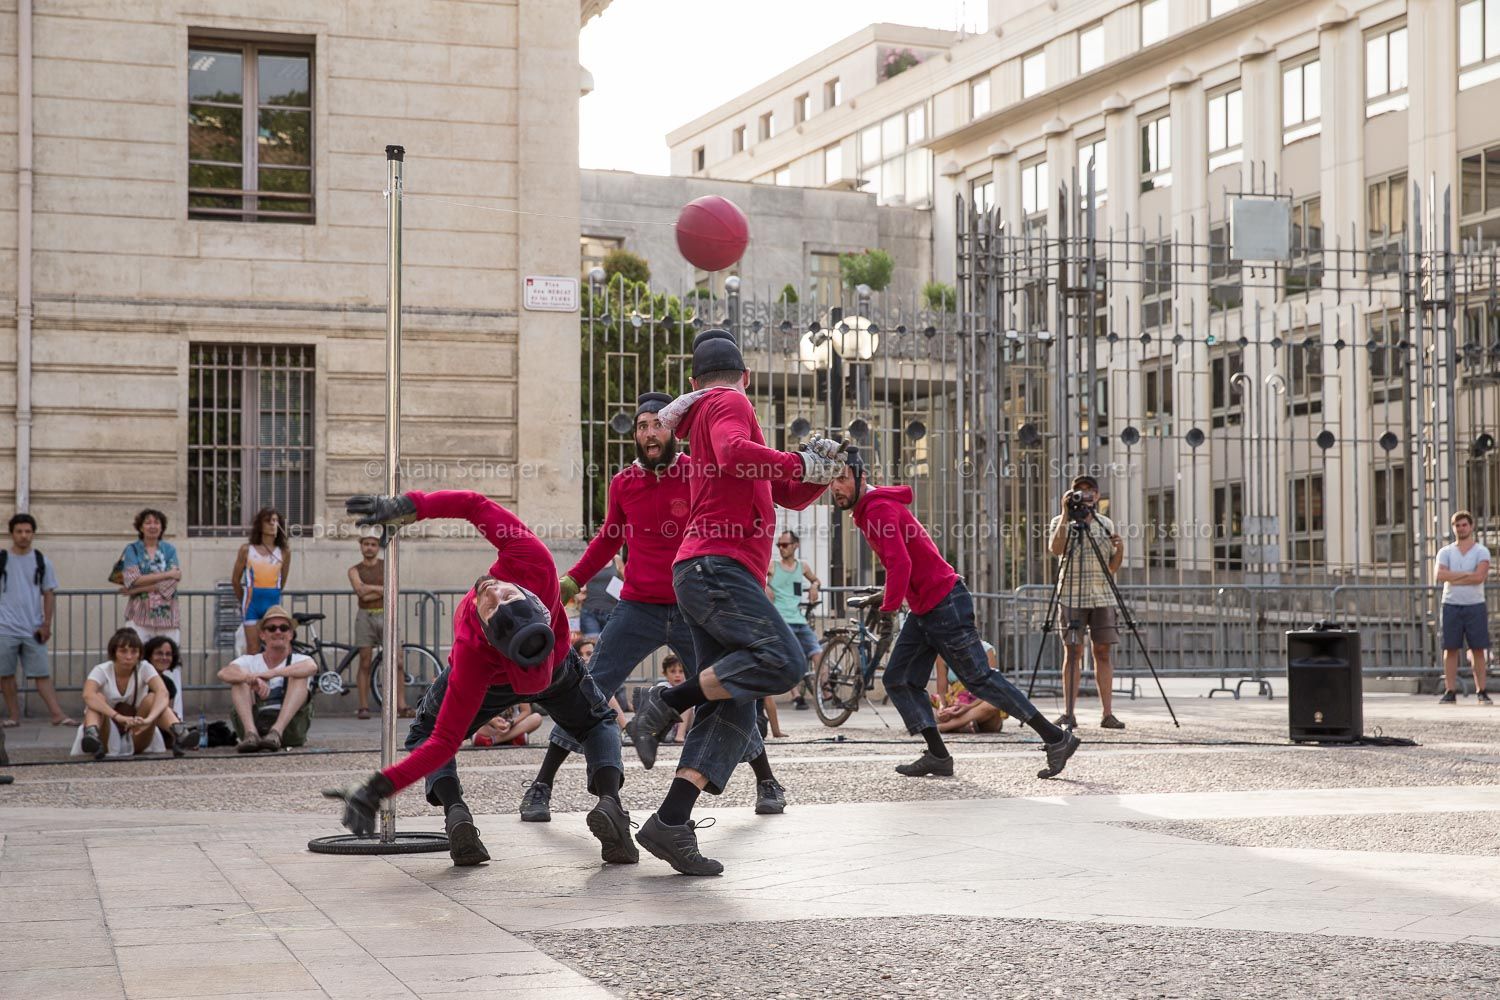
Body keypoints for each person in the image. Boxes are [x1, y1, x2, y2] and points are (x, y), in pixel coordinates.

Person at [323, 490, 633, 870]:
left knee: (424, 730)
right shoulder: (532, 564)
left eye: (497, 605)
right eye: (504, 598)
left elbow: (441, 741)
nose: (492, 592)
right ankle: (610, 801)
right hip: (553, 667)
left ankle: (455, 811)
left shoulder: (474, 649)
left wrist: (375, 790)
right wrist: (411, 507)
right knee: (597, 721)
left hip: (529, 672)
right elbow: (475, 505)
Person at [625, 330, 839, 875]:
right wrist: (797, 460)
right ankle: (665, 703)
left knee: (733, 705)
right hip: (717, 565)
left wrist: (818, 472)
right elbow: (735, 452)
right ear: (746, 376)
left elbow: (783, 491)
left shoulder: (705, 414)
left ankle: (670, 822)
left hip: (703, 570)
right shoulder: (729, 403)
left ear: (692, 380)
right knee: (784, 661)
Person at [533, 390, 790, 826]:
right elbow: (608, 538)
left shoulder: (697, 473)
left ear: (673, 430)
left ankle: (767, 781)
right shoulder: (623, 483)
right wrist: (572, 580)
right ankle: (541, 785)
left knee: (728, 689)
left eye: (658, 424)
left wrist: (748, 578)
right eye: (642, 426)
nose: (650, 433)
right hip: (637, 606)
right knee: (589, 687)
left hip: (694, 606)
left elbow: (734, 520)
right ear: (635, 435)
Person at [828, 452, 1079, 780]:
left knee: (980, 678)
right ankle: (938, 755)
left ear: (861, 477)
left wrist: (888, 610)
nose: (835, 487)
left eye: (842, 478)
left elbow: (901, 563)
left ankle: (1056, 738)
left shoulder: (878, 509)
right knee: (899, 678)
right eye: (830, 480)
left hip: (944, 603)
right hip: (925, 607)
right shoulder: (869, 510)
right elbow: (906, 562)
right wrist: (886, 595)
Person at [1046, 475, 1126, 730]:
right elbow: (1055, 549)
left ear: (1097, 495)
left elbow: (1111, 567)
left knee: (1102, 651)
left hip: (1102, 595)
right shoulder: (1061, 522)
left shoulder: (1105, 523)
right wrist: (1065, 512)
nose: (1085, 495)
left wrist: (1121, 550)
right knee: (1073, 651)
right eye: (1079, 491)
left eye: (1089, 490)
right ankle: (1069, 713)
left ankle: (1107, 714)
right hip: (1071, 595)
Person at [0, 513, 75, 728]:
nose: (24, 536)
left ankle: (57, 715)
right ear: (12, 533)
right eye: (19, 531)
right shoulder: (2, 559)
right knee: (5, 675)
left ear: (33, 533)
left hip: (33, 628)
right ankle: (14, 716)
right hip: (4, 628)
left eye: (28, 531)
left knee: (42, 674)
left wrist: (46, 624)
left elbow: (49, 593)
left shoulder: (42, 561)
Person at [74, 628, 190, 759]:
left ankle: (180, 732)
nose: (129, 657)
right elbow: (88, 695)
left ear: (140, 654)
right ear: (114, 652)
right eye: (123, 651)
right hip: (106, 731)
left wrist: (149, 719)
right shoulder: (101, 669)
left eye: (134, 651)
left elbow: (163, 692)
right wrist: (118, 717)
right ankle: (92, 735)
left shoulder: (144, 667)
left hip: (136, 730)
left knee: (152, 698)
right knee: (97, 699)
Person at [216, 604, 316, 753]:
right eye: (272, 628)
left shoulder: (300, 659)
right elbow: (224, 673)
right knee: (239, 680)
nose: (278, 632)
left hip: (289, 731)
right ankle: (251, 734)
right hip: (256, 726)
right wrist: (249, 678)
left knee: (298, 676)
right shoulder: (250, 661)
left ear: (290, 634)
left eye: (283, 628)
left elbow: (312, 667)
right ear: (262, 635)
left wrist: (273, 673)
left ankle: (276, 732)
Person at [347, 534, 412, 720]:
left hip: (387, 614)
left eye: (373, 544)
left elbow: (392, 589)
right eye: (366, 544)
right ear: (361, 546)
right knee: (365, 661)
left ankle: (401, 705)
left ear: (378, 547)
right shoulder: (354, 570)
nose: (369, 547)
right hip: (365, 616)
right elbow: (361, 592)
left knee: (398, 661)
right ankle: (363, 706)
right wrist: (381, 589)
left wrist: (370, 589)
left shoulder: (387, 565)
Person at [1436, 510, 1491, 704]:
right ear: (1453, 528)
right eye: (1457, 525)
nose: (1461, 528)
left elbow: (1479, 577)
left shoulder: (1481, 551)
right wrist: (1467, 574)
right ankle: (1450, 691)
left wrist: (1454, 576)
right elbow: (1440, 575)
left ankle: (1481, 690)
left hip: (1475, 605)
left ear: (1471, 526)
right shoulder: (1445, 552)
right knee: (1450, 649)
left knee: (1478, 649)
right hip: (1451, 604)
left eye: (1464, 525)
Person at [767, 529, 822, 713]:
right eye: (779, 545)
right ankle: (796, 696)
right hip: (781, 619)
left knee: (818, 653)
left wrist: (814, 586)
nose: (781, 548)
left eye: (785, 545)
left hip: (799, 619)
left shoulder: (802, 566)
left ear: (795, 546)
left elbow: (816, 580)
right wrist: (766, 586)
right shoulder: (773, 566)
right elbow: (756, 577)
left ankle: (825, 692)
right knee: (792, 656)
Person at [232, 508, 291, 656]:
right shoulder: (246, 550)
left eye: (276, 521)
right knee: (253, 650)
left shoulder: (284, 552)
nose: (272, 524)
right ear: (260, 524)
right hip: (251, 605)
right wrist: (245, 599)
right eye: (268, 521)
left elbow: (282, 581)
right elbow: (235, 580)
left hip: (272, 604)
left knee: (277, 649)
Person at [118, 508, 181, 644]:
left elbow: (173, 581)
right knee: (136, 652)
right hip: (139, 614)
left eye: (156, 523)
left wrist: (137, 590)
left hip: (167, 615)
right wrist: (167, 574)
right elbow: (134, 579)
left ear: (162, 527)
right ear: (141, 527)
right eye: (148, 523)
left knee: (168, 654)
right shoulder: (132, 550)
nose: (153, 526)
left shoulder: (170, 550)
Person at [935, 643, 1006, 734]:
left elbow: (990, 688)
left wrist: (969, 707)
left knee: (995, 702)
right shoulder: (943, 654)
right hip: (956, 705)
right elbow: (941, 693)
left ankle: (947, 727)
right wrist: (942, 708)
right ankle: (963, 724)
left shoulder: (987, 649)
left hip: (980, 705)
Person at [142, 636, 185, 721]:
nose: (164, 657)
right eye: (159, 653)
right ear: (149, 656)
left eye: (168, 654)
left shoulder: (169, 684)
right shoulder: (141, 679)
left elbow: (167, 714)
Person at [580, 558, 623, 636]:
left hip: (611, 613)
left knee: (609, 642)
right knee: (592, 642)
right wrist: (579, 592)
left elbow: (627, 580)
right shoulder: (588, 558)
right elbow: (572, 578)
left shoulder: (616, 559)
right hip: (590, 612)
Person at [473, 703, 542, 746]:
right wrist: (492, 721)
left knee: (536, 717)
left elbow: (526, 711)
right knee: (473, 723)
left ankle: (493, 740)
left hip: (514, 726)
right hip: (492, 727)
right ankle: (512, 739)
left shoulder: (519, 686)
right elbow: (478, 711)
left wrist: (511, 722)